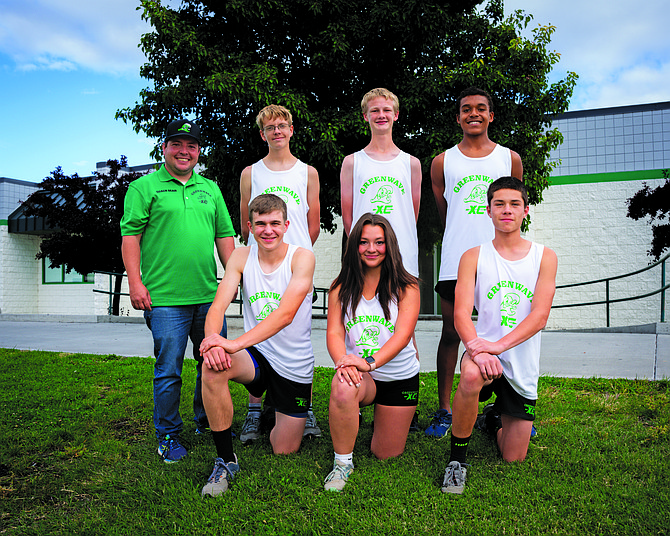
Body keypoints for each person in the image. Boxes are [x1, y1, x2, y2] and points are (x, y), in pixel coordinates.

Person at [120, 119, 235, 462]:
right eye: (177, 144)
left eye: (192, 146)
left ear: (198, 151)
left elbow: (224, 238)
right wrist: (135, 282)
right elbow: (131, 239)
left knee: (212, 364)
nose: (184, 151)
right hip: (165, 299)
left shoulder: (210, 189)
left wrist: (235, 278)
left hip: (208, 298)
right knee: (169, 369)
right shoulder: (144, 187)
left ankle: (206, 421)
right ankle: (168, 435)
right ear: (164, 147)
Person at [441, 177, 557, 494]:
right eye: (499, 204)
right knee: (469, 376)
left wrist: (498, 347)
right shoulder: (473, 256)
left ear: (526, 211)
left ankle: (493, 420)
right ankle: (457, 462)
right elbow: (461, 313)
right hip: (481, 354)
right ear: (488, 211)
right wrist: (480, 351)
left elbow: (540, 316)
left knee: (513, 457)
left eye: (514, 204)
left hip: (519, 360)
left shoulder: (544, 256)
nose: (507, 210)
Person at [199, 194, 316, 497]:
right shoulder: (240, 256)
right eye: (260, 224)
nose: (268, 230)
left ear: (286, 225)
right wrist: (213, 343)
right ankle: (226, 459)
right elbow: (217, 306)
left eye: (275, 223)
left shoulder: (302, 257)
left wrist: (233, 343)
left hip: (293, 364)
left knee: (283, 449)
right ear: (249, 226)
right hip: (257, 357)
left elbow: (285, 315)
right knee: (212, 368)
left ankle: (271, 411)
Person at [428, 87, 524, 438]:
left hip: (498, 261)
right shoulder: (442, 162)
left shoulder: (509, 158)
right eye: (465, 109)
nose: (473, 114)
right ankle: (444, 409)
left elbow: (512, 206)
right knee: (451, 332)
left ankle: (501, 409)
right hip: (456, 259)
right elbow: (445, 211)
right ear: (457, 117)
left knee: (501, 331)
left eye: (480, 109)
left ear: (491, 115)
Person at [238, 104, 321, 443]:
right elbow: (249, 219)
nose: (277, 131)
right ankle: (255, 409)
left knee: (299, 335)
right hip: (260, 268)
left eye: (282, 125)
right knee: (256, 330)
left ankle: (305, 404)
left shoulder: (308, 172)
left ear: (291, 129)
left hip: (295, 267)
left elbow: (311, 227)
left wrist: (292, 256)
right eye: (270, 127)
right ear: (262, 133)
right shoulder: (250, 173)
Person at [323, 213, 420, 492]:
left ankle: (371, 415)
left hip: (398, 378)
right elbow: (334, 333)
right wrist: (345, 363)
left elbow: (402, 336)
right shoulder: (340, 287)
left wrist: (368, 362)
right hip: (363, 377)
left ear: (389, 246)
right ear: (354, 247)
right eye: (364, 242)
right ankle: (342, 463)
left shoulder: (407, 286)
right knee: (342, 384)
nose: (371, 248)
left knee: (384, 453)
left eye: (379, 242)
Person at [340, 88, 421, 278]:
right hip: (366, 255)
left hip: (403, 253)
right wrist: (364, 245)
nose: (381, 115)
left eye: (386, 110)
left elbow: (412, 213)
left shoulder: (411, 163)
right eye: (375, 111)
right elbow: (348, 216)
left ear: (396, 114)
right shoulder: (352, 162)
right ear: (365, 116)